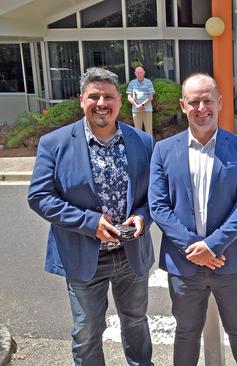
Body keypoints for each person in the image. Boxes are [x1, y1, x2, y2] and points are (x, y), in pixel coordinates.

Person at [27, 67, 155, 365]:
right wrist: (89, 223)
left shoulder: (142, 142)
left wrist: (142, 217)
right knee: (87, 332)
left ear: (120, 101)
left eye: (108, 96)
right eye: (94, 96)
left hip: (130, 253)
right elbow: (39, 197)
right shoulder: (55, 143)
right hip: (83, 255)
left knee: (136, 323)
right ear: (81, 100)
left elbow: (155, 195)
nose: (102, 103)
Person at [148, 73, 237, 366]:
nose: (201, 108)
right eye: (194, 102)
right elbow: (158, 206)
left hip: (229, 261)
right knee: (186, 332)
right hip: (184, 263)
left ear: (220, 103)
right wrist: (193, 247)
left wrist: (213, 246)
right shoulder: (163, 150)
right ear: (183, 105)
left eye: (207, 101)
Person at [127, 66, 155, 135]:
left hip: (147, 109)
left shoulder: (148, 82)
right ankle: (139, 145)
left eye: (141, 72)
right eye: (138, 72)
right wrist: (137, 106)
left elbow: (151, 97)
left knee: (149, 130)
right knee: (138, 131)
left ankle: (149, 145)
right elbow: (129, 97)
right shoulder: (132, 83)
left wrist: (142, 105)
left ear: (144, 73)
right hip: (136, 109)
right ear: (135, 74)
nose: (139, 74)